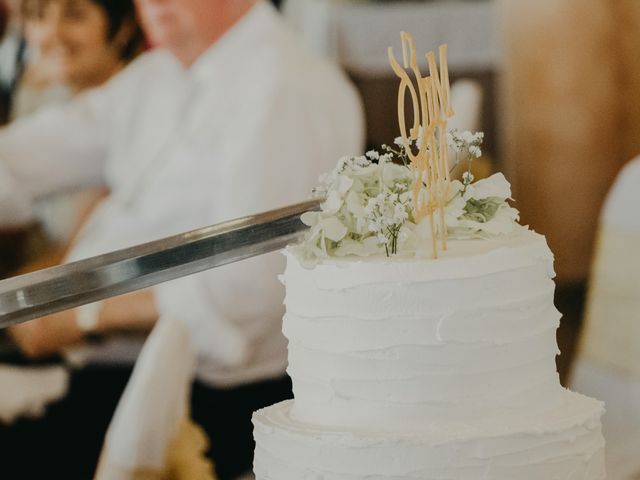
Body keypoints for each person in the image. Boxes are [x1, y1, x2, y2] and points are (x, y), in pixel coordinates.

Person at [0, 0, 364, 478]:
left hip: (203, 406)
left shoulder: (286, 87)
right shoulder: (158, 74)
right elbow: (25, 158)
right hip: (108, 369)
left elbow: (252, 288)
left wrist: (87, 315)